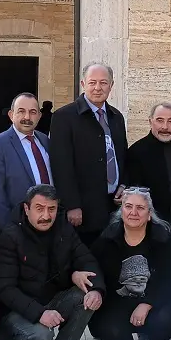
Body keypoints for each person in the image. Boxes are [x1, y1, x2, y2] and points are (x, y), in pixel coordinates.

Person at [0, 185, 105, 340]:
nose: (46, 215)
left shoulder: (64, 229)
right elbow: (5, 288)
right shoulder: (10, 236)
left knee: (86, 296)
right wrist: (39, 313)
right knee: (41, 335)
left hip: (54, 299)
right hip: (18, 309)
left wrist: (97, 290)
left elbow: (86, 259)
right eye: (39, 208)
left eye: (51, 209)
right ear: (27, 209)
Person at [90, 187, 171, 340]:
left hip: (156, 301)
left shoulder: (163, 239)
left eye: (140, 208)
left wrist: (147, 303)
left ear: (149, 214)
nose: (134, 213)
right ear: (121, 211)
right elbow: (94, 269)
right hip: (119, 301)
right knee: (105, 327)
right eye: (128, 207)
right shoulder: (107, 238)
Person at [49, 63, 129, 247]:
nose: (98, 87)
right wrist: (71, 204)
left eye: (103, 83)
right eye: (92, 82)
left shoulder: (116, 117)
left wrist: (123, 184)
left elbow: (122, 156)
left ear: (111, 85)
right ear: (83, 84)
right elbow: (61, 164)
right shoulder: (64, 117)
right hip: (83, 210)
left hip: (113, 206)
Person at [0, 92, 52, 235]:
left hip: (50, 223)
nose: (27, 117)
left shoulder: (44, 140)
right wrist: (9, 231)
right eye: (21, 111)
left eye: (33, 112)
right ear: (11, 114)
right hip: (19, 227)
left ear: (39, 116)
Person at [126, 102, 171, 253]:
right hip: (148, 225)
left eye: (170, 121)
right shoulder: (136, 152)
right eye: (160, 120)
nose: (165, 127)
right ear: (150, 121)